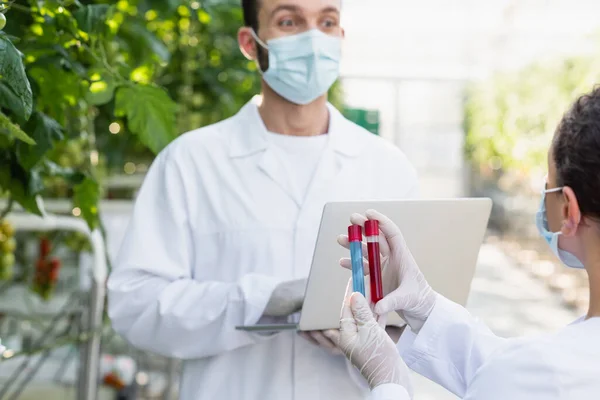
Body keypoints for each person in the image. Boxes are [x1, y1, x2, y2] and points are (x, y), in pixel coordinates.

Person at [107, 0, 419, 399]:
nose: (311, 39)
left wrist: (387, 334)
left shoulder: (388, 168)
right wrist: (261, 301)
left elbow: (417, 311)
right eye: (289, 21)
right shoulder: (191, 162)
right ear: (250, 43)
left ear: (341, 38)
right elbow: (135, 304)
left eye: (326, 22)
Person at [336, 87, 600, 399]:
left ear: (567, 209)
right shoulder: (548, 368)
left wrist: (387, 381)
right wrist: (426, 307)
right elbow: (511, 374)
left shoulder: (541, 373)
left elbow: (520, 379)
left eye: (549, 189)